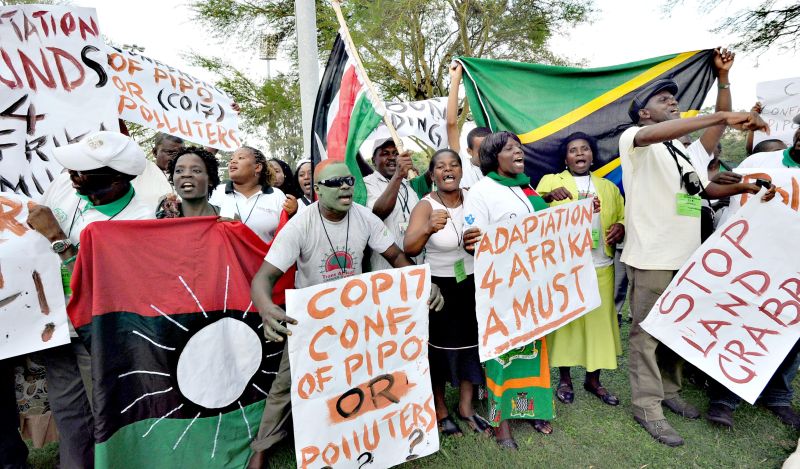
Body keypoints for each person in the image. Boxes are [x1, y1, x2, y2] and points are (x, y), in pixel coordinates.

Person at [246, 160, 444, 468]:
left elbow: (395, 256)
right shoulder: (301, 224)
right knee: (287, 384)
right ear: (317, 190)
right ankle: (262, 447)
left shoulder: (364, 217)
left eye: (349, 180)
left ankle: (363, 434)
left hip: (356, 316)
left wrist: (422, 282)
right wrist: (266, 307)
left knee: (364, 375)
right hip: (312, 321)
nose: (345, 187)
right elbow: (263, 278)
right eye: (336, 182)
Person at [621, 77, 775, 447]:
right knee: (647, 333)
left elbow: (701, 191)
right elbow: (666, 133)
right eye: (663, 99)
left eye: (674, 98)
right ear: (644, 113)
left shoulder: (679, 150)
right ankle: (646, 406)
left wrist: (744, 187)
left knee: (675, 328)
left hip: (687, 257)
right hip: (651, 256)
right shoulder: (635, 139)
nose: (673, 102)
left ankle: (669, 390)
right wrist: (720, 114)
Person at [26, 131, 153, 468]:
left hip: (97, 331)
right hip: (54, 323)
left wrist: (57, 239)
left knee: (106, 411)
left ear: (116, 179)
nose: (72, 174)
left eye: (83, 170)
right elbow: (34, 220)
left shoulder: (138, 221)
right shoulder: (68, 185)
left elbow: (111, 285)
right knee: (67, 409)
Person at [462, 131, 554, 449]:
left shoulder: (527, 187)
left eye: (519, 147)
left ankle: (531, 408)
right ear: (493, 157)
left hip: (532, 291)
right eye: (510, 148)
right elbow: (471, 236)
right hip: (500, 292)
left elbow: (550, 229)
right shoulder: (481, 191)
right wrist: (470, 239)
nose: (519, 152)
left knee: (531, 353)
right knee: (502, 355)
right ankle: (501, 424)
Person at [706, 126, 800, 430]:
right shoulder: (760, 164)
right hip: (753, 264)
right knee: (745, 326)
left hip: (794, 269)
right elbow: (734, 211)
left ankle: (777, 395)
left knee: (792, 334)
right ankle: (725, 397)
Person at [404, 149, 491, 437]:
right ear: (432, 174)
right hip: (439, 288)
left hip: (473, 282)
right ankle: (440, 409)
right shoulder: (425, 205)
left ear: (461, 170)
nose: (448, 169)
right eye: (440, 166)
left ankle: (466, 406)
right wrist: (428, 228)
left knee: (470, 345)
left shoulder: (474, 199)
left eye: (453, 164)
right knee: (438, 351)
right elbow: (410, 248)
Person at [537, 132, 625, 407]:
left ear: (592, 155)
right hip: (565, 267)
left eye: (584, 149)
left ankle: (593, 379)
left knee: (598, 324)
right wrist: (548, 196)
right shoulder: (551, 181)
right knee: (567, 324)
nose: (579, 154)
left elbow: (622, 215)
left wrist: (620, 226)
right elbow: (532, 210)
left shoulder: (608, 187)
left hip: (601, 265)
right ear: (565, 158)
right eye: (573, 150)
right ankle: (564, 379)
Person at [210, 146, 296, 243]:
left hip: (263, 257)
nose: (233, 161)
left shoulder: (276, 195)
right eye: (231, 159)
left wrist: (292, 214)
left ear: (257, 167)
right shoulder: (216, 193)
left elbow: (286, 235)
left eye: (241, 158)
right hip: (226, 257)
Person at [364, 138, 421, 271]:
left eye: (396, 153)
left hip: (417, 265)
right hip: (386, 271)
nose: (392, 158)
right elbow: (377, 214)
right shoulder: (366, 184)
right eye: (385, 153)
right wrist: (398, 176)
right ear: (374, 161)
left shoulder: (408, 185)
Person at [446, 63, 491, 188]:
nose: (487, 155)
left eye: (489, 150)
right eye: (481, 151)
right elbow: (451, 124)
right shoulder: (462, 166)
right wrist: (455, 79)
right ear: (469, 151)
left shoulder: (501, 170)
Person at [156, 148, 222, 218]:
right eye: (179, 171)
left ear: (210, 179)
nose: (186, 174)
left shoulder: (228, 217)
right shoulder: (163, 221)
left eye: (196, 170)